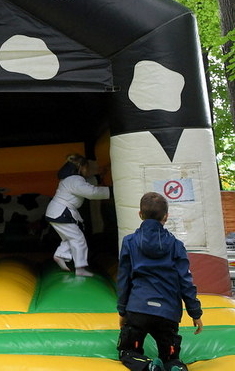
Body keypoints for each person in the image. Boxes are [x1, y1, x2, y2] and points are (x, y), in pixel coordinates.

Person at [117, 192, 203, 371]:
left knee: (128, 352)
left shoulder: (129, 242)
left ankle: (148, 367)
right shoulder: (176, 245)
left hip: (138, 310)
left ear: (140, 214)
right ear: (166, 216)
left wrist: (122, 310)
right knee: (171, 358)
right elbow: (185, 281)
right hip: (167, 313)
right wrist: (195, 313)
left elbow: (124, 278)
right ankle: (175, 367)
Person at [44, 153, 110, 277]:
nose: (87, 171)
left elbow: (87, 183)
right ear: (82, 167)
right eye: (87, 168)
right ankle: (80, 268)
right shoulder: (75, 180)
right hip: (61, 212)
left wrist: (99, 176)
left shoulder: (69, 179)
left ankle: (60, 255)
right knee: (78, 239)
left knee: (70, 237)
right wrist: (111, 191)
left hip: (56, 212)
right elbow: (91, 192)